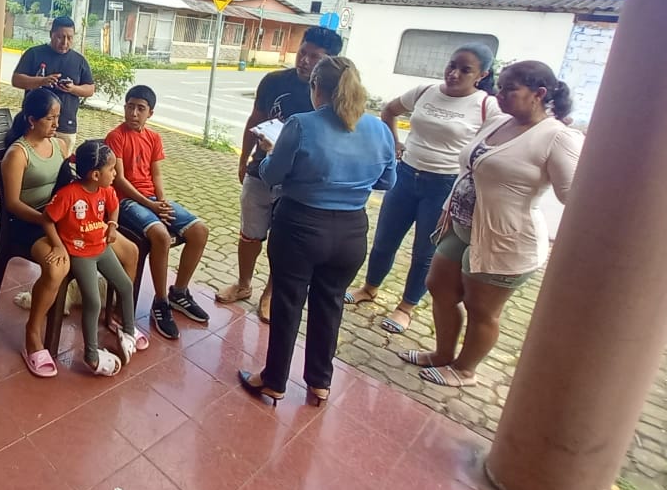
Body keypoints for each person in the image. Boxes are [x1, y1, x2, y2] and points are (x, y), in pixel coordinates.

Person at [399, 60, 582, 388]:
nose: (500, 95)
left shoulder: (556, 136)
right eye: (500, 88)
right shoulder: (498, 122)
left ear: (539, 94)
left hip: (505, 240)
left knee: (481, 309)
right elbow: (470, 169)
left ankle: (464, 370)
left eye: (510, 90)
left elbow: (573, 194)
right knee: (439, 286)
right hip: (462, 226)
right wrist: (449, 208)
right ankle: (442, 353)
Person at [239, 57, 396, 408]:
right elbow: (387, 181)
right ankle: (320, 383)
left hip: (301, 226)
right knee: (330, 304)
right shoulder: (379, 129)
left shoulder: (302, 124)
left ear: (316, 88)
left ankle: (274, 380)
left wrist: (270, 151)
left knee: (288, 302)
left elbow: (271, 175)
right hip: (351, 232)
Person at [345, 44, 499, 334]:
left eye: (465, 70)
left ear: (482, 75)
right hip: (405, 176)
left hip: (444, 185)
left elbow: (497, 143)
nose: (454, 74)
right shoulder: (425, 91)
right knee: (384, 240)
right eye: (452, 65)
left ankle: (406, 306)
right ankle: (369, 287)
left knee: (424, 251)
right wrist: (395, 144)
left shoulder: (486, 106)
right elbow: (389, 111)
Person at [0, 89, 138, 377]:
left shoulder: (60, 145)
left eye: (58, 117)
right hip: (30, 222)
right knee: (56, 268)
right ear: (31, 119)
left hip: (63, 217)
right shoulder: (17, 154)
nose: (56, 124)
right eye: (50, 118)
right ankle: (33, 334)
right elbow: (12, 203)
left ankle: (119, 317)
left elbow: (73, 183)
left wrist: (92, 212)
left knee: (130, 251)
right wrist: (49, 222)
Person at [219, 25, 343, 322]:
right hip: (261, 171)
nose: (304, 61)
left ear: (329, 62)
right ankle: (244, 283)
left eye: (314, 57)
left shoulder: (331, 96)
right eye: (302, 52)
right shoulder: (274, 81)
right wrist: (244, 159)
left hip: (296, 184)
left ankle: (270, 293)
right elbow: (256, 119)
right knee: (250, 233)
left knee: (283, 241)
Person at [106, 85, 211, 340]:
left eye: (140, 108)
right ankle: (161, 302)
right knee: (161, 236)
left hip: (153, 199)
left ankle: (179, 293)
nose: (134, 113)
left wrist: (161, 202)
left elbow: (156, 174)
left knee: (199, 231)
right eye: (130, 106)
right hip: (127, 202)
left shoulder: (153, 138)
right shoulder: (116, 136)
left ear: (150, 113)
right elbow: (119, 180)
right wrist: (151, 205)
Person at [43, 140, 148, 376]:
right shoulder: (68, 195)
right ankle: (91, 355)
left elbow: (114, 207)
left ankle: (128, 331)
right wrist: (58, 245)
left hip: (101, 247)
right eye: (112, 169)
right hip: (80, 254)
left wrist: (112, 225)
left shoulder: (106, 190)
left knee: (125, 285)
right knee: (93, 302)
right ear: (95, 174)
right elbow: (47, 219)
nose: (115, 173)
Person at [11, 15, 95, 146]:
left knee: (62, 159)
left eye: (70, 38)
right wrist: (41, 81)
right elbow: (16, 80)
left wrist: (73, 88)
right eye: (60, 37)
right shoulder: (34, 54)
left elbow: (90, 89)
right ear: (51, 34)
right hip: (34, 124)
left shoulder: (79, 60)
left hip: (65, 126)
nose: (65, 42)